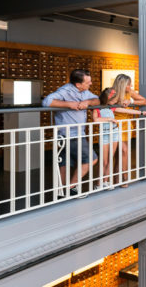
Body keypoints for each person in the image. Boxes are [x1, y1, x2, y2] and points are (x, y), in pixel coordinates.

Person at [42, 69, 99, 197]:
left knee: (65, 162)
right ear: (78, 84)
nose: (91, 84)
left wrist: (88, 102)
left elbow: (97, 100)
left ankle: (62, 192)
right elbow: (46, 102)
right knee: (92, 159)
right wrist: (69, 104)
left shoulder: (84, 92)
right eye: (88, 82)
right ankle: (71, 187)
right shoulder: (65, 91)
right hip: (70, 134)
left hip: (74, 133)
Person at [92, 87, 146, 189]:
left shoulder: (112, 107)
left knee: (110, 159)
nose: (116, 101)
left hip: (114, 133)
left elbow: (126, 111)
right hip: (104, 134)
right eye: (114, 98)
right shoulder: (97, 107)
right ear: (108, 98)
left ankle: (105, 181)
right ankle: (98, 184)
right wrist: (109, 119)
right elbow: (95, 120)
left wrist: (142, 113)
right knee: (104, 161)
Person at [110, 74, 146, 186]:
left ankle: (118, 180)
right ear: (122, 84)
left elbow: (144, 101)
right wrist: (120, 102)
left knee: (121, 154)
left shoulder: (129, 92)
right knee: (123, 151)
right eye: (128, 84)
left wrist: (130, 101)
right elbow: (109, 105)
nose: (130, 86)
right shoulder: (112, 93)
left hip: (126, 125)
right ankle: (124, 178)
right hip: (115, 124)